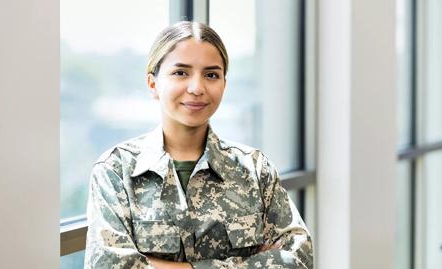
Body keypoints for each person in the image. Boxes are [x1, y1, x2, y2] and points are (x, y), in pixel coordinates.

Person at [84, 21, 313, 269]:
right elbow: (107, 265)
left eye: (211, 75)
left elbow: (297, 260)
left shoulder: (256, 169)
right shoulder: (117, 170)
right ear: (153, 84)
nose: (197, 88)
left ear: (224, 83)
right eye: (181, 72)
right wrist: (251, 262)